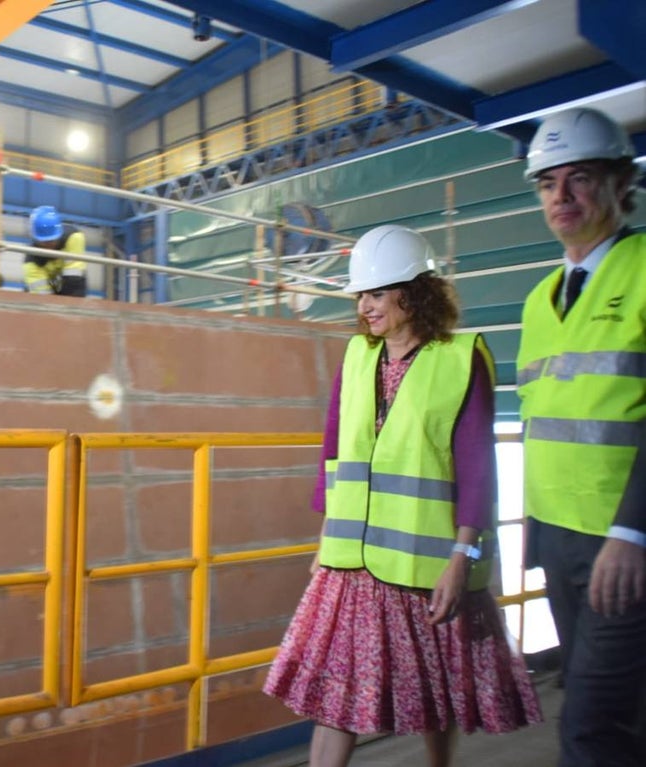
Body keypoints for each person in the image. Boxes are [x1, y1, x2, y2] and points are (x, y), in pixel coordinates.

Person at [264, 225, 541, 767]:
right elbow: (335, 454)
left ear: (413, 293)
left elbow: (477, 472)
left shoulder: (461, 360)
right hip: (353, 571)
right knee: (338, 699)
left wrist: (464, 558)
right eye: (360, 296)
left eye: (376, 293)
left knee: (435, 697)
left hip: (427, 569)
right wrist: (325, 542)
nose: (364, 307)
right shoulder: (356, 357)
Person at [516, 106, 646, 766]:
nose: (560, 197)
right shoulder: (539, 299)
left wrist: (633, 532)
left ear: (623, 183)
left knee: (589, 726)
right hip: (561, 539)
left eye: (579, 179)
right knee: (617, 715)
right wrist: (536, 537)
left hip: (624, 539)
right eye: (547, 183)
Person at [24, 205, 87, 296]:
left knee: (76, 284)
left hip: (71, 284)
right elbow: (42, 297)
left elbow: (74, 278)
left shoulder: (74, 238)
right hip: (48, 288)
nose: (49, 245)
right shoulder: (31, 263)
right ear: (36, 240)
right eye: (45, 242)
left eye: (52, 240)